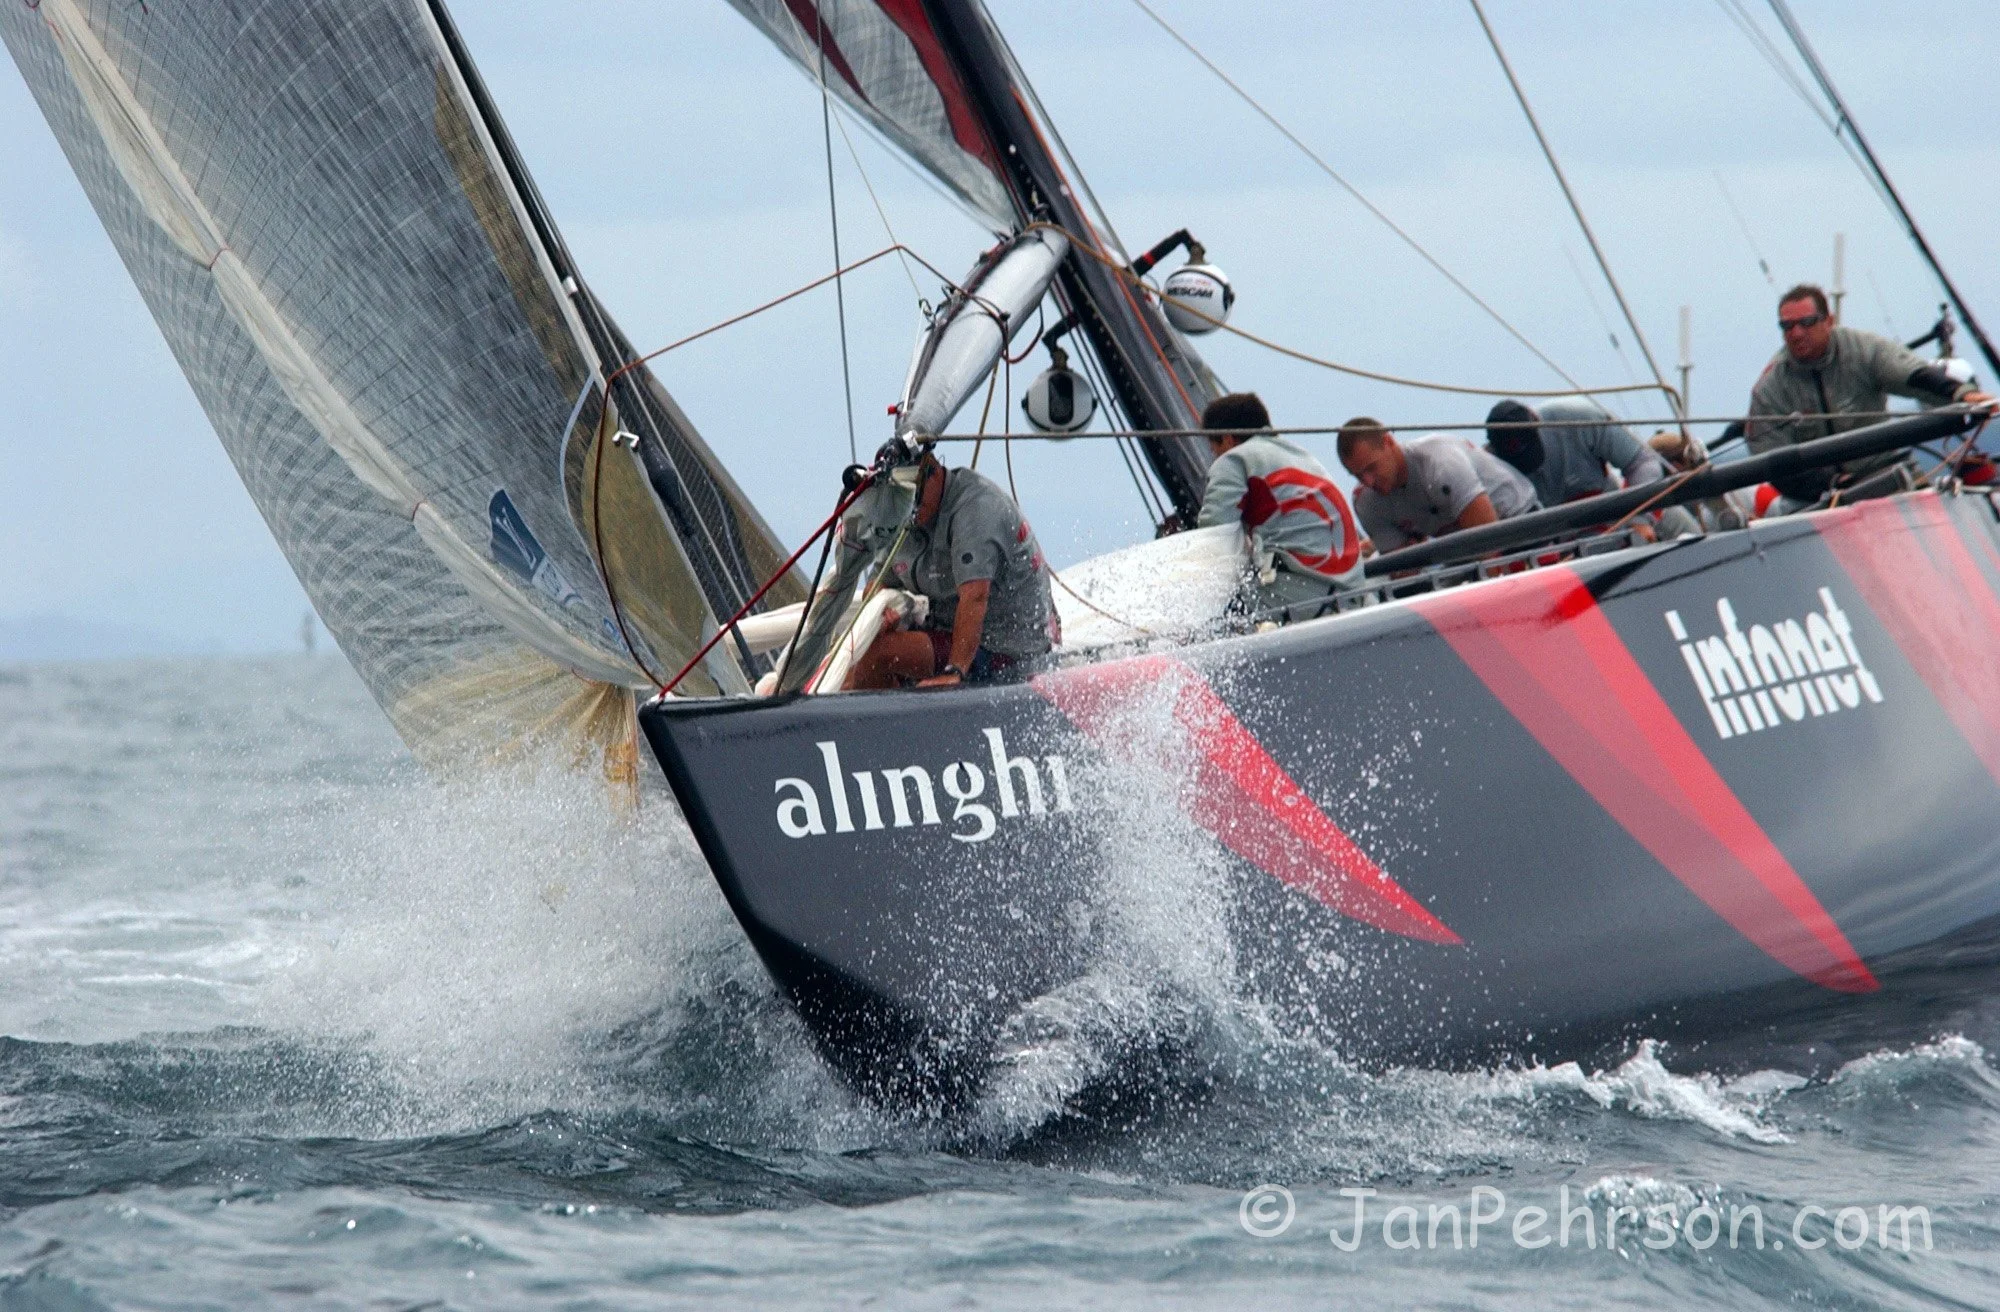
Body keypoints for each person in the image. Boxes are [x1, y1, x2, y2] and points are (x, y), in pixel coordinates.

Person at [1747, 283, 1997, 504]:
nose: (1796, 333)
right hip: (1820, 500)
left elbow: (1910, 373)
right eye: (1787, 326)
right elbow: (1770, 458)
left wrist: (1961, 394)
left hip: (1889, 477)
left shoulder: (1863, 350)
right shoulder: (1770, 389)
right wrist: (1832, 484)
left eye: (1806, 322)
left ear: (1828, 321)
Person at [847, 448, 1056, 689]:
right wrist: (881, 612)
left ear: (935, 473)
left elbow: (976, 596)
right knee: (852, 672)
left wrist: (955, 671)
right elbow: (877, 582)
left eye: (915, 493)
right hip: (946, 629)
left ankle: (883, 720)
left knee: (877, 655)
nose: (909, 503)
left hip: (1005, 647)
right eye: (900, 495)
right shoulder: (905, 512)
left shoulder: (976, 509)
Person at [1196, 392, 1363, 608]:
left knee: (1208, 621)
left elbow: (1214, 537)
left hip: (1302, 593)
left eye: (1214, 449)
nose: (1215, 457)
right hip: (1354, 594)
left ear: (1227, 439)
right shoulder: (1302, 457)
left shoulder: (1235, 459)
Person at [1485, 397, 1696, 539]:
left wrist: (1639, 519)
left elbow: (1642, 462)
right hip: (1568, 547)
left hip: (1623, 511)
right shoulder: (1490, 469)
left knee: (1686, 529)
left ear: (1537, 422)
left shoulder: (1576, 417)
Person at [1337, 418, 1538, 553]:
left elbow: (1490, 546)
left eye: (1372, 468)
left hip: (1522, 524)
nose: (1368, 482)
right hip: (1465, 549)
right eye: (1358, 475)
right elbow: (1404, 574)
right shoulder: (1367, 503)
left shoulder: (1439, 462)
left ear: (1388, 442)